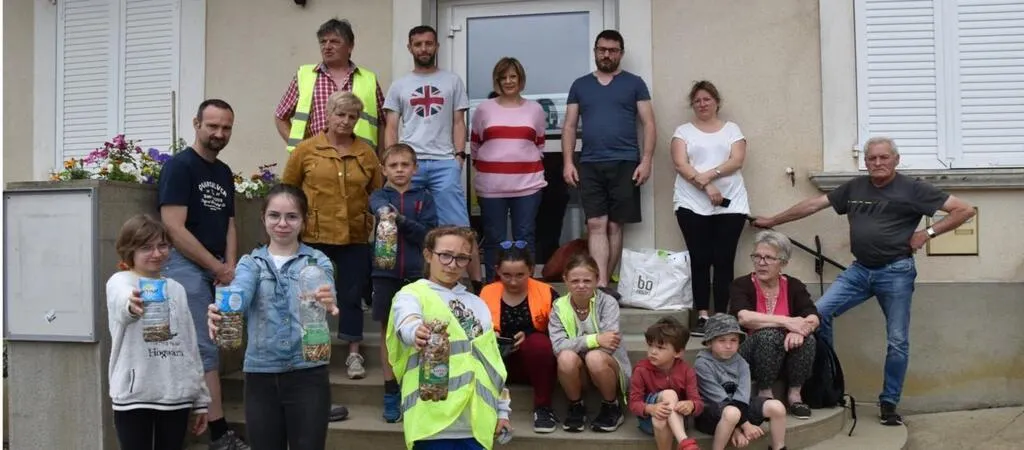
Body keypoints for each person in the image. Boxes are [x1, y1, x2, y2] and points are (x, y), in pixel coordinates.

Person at [752, 136, 976, 425]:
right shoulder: (855, 187)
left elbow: (964, 210)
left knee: (897, 341)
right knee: (817, 315)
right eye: (872, 158)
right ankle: (829, 380)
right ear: (865, 161)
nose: (878, 163)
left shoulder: (914, 189)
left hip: (896, 272)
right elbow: (813, 205)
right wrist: (773, 221)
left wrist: (927, 234)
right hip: (859, 271)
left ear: (896, 160)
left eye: (884, 157)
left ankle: (889, 402)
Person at [207, 184, 338, 450]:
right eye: (274, 215)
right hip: (261, 375)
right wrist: (221, 311)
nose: (282, 224)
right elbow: (239, 294)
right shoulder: (251, 263)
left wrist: (327, 299)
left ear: (303, 220)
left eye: (292, 216)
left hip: (308, 373)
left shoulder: (317, 260)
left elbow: (327, 291)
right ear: (263, 218)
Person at [282, 90, 383, 419]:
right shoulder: (307, 150)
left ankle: (354, 353)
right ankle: (312, 351)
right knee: (312, 296)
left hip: (354, 235)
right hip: (315, 234)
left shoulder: (366, 152)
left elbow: (377, 193)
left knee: (352, 295)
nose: (346, 121)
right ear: (327, 114)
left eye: (352, 116)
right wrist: (289, 228)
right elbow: (289, 190)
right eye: (340, 114)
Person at [158, 99, 248, 449]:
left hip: (217, 268)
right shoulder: (179, 167)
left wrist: (229, 267)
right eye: (212, 126)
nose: (219, 133)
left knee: (220, 341)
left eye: (226, 127)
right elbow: (172, 227)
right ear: (196, 124)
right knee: (205, 348)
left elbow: (229, 224)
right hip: (184, 266)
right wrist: (215, 267)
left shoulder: (223, 172)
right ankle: (219, 434)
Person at [385, 226, 512, 450]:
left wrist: (502, 411)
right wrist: (415, 331)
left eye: (461, 258)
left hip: (477, 425)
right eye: (445, 255)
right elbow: (407, 321)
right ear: (428, 255)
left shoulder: (478, 304)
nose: (452, 265)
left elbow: (493, 364)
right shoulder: (412, 294)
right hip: (432, 423)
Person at [384, 25, 483, 290]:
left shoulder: (452, 81)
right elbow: (391, 127)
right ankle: (404, 281)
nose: (424, 49)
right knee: (401, 224)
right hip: (410, 164)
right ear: (410, 48)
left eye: (428, 43)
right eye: (418, 44)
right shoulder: (400, 85)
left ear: (436, 46)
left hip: (444, 162)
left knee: (460, 227)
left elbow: (459, 122)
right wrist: (392, 162)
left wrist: (459, 157)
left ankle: (477, 284)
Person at [561, 29, 657, 298]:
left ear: (621, 53)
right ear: (595, 51)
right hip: (590, 163)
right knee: (595, 224)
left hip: (626, 161)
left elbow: (649, 123)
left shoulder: (635, 83)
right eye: (602, 49)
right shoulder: (580, 85)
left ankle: (605, 283)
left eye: (612, 50)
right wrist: (568, 162)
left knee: (615, 225)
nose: (606, 54)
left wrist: (646, 160)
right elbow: (569, 126)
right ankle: (600, 284)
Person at [107, 214, 209, 450]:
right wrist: (132, 305)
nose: (156, 253)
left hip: (176, 394)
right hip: (134, 396)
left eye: (162, 245)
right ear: (129, 250)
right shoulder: (120, 281)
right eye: (146, 247)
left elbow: (190, 345)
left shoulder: (177, 289)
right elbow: (122, 302)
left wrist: (201, 400)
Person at [670, 80, 750, 336]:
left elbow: (736, 160)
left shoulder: (732, 129)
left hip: (731, 203)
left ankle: (723, 316)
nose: (702, 104)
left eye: (707, 99)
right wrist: (707, 186)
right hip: (691, 203)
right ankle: (703, 315)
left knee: (724, 260)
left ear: (716, 102)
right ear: (692, 105)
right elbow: (681, 164)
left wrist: (709, 175)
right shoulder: (683, 131)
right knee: (700, 259)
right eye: (697, 100)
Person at [368, 143, 438, 423]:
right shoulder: (378, 196)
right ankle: (390, 391)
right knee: (388, 333)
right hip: (384, 275)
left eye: (405, 165)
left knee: (419, 331)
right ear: (384, 169)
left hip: (416, 275)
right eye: (393, 165)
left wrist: (401, 221)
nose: (399, 170)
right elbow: (377, 207)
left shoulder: (425, 198)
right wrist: (386, 212)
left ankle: (417, 387)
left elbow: (428, 236)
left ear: (414, 168)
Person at [470, 57, 548, 281]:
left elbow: (539, 144)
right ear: (497, 81)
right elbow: (475, 145)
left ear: (520, 79)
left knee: (525, 238)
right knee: (494, 239)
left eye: (513, 76)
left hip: (528, 186)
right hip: (491, 188)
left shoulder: (535, 110)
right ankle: (493, 287)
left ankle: (527, 286)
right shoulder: (483, 110)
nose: (508, 81)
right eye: (503, 77)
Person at [729, 230, 819, 419]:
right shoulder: (741, 284)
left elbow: (813, 316)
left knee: (808, 339)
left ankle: (795, 395)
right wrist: (788, 322)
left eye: (769, 258)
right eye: (757, 256)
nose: (761, 263)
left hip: (785, 355)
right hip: (748, 354)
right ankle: (765, 393)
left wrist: (801, 331)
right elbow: (744, 317)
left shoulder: (794, 285)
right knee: (769, 335)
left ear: (783, 263)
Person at [479, 243, 560, 433]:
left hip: (536, 363)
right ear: (497, 270)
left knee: (538, 344)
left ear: (531, 270)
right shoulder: (486, 292)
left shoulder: (547, 292)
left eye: (520, 275)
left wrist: (531, 334)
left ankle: (543, 408)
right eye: (506, 275)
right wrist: (491, 336)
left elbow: (562, 331)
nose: (513, 282)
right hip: (498, 362)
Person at [275, 18, 386, 152]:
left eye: (334, 41)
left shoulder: (369, 79)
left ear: (350, 46)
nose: (327, 47)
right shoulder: (304, 75)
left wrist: (380, 159)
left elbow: (383, 122)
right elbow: (280, 116)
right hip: (317, 158)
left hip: (359, 158)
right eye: (323, 41)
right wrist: (302, 151)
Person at [548, 253, 631, 433]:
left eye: (587, 280)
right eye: (575, 281)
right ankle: (576, 406)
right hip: (578, 369)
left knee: (595, 357)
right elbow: (558, 346)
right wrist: (594, 339)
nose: (581, 285)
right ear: (565, 280)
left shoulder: (608, 303)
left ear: (597, 280)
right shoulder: (558, 306)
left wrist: (578, 345)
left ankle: (611, 406)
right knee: (565, 358)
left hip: (608, 366)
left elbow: (610, 344)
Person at [694, 314, 788, 450]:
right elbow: (721, 400)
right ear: (709, 342)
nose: (728, 345)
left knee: (777, 407)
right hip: (712, 414)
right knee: (732, 413)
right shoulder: (702, 364)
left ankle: (778, 447)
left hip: (739, 410)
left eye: (733, 340)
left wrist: (739, 425)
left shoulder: (742, 363)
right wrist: (744, 426)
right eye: (721, 340)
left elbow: (742, 397)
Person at [629, 317, 702, 450]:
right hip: (649, 420)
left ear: (678, 352)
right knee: (668, 398)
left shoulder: (686, 371)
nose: (653, 351)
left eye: (660, 347)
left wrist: (691, 405)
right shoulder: (641, 370)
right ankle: (684, 442)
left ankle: (683, 443)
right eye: (650, 345)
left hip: (678, 420)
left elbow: (698, 402)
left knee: (661, 418)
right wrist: (651, 409)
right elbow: (634, 403)